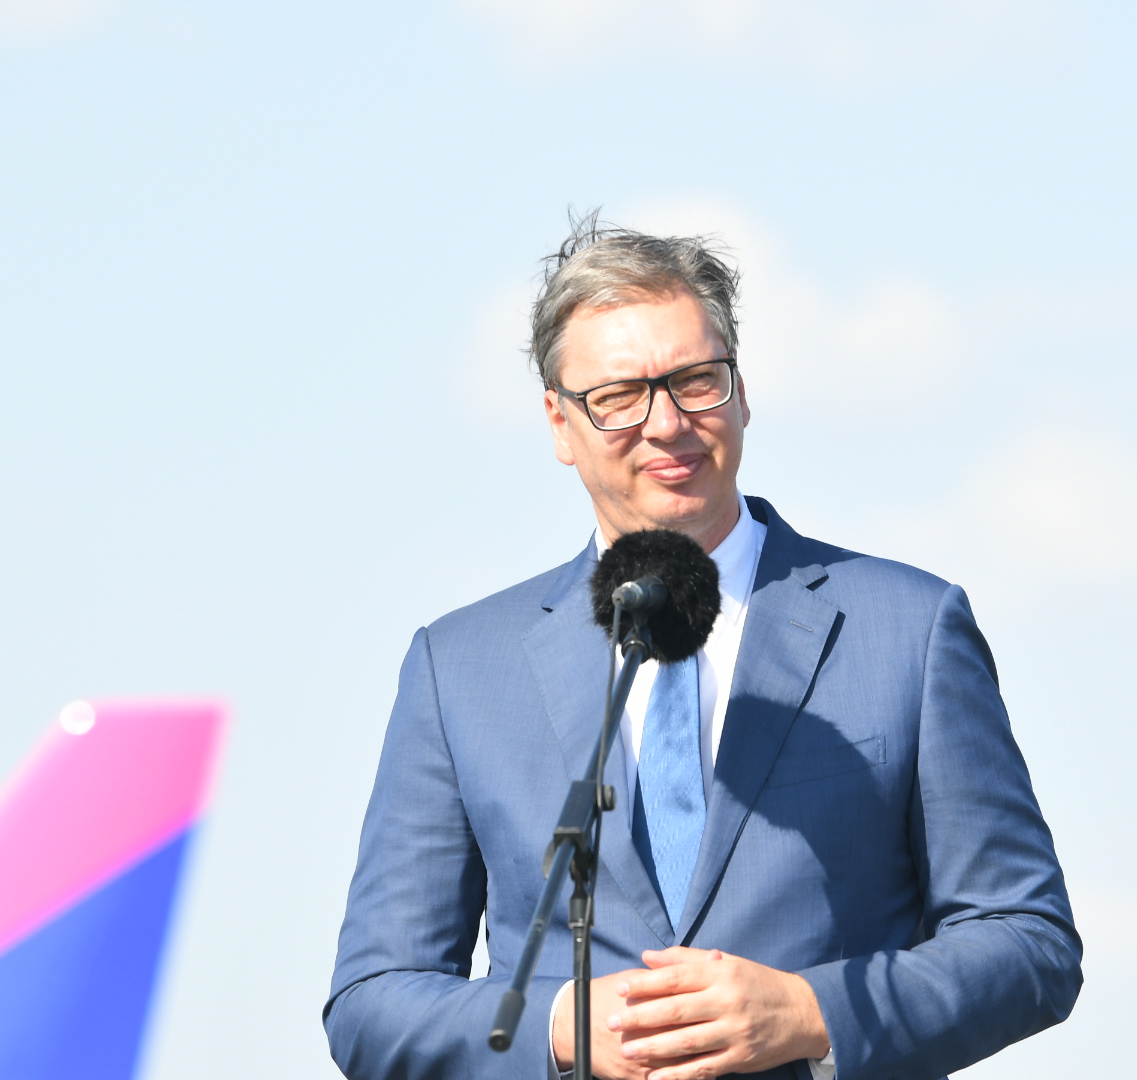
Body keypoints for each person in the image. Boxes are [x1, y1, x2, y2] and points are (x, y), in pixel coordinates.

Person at [325, 215, 1082, 1080]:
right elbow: (373, 1001)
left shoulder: (908, 629)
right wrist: (561, 1025)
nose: (667, 422)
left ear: (743, 390)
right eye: (618, 396)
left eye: (696, 380)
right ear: (559, 424)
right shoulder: (458, 669)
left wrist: (810, 1013)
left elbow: (1030, 941)